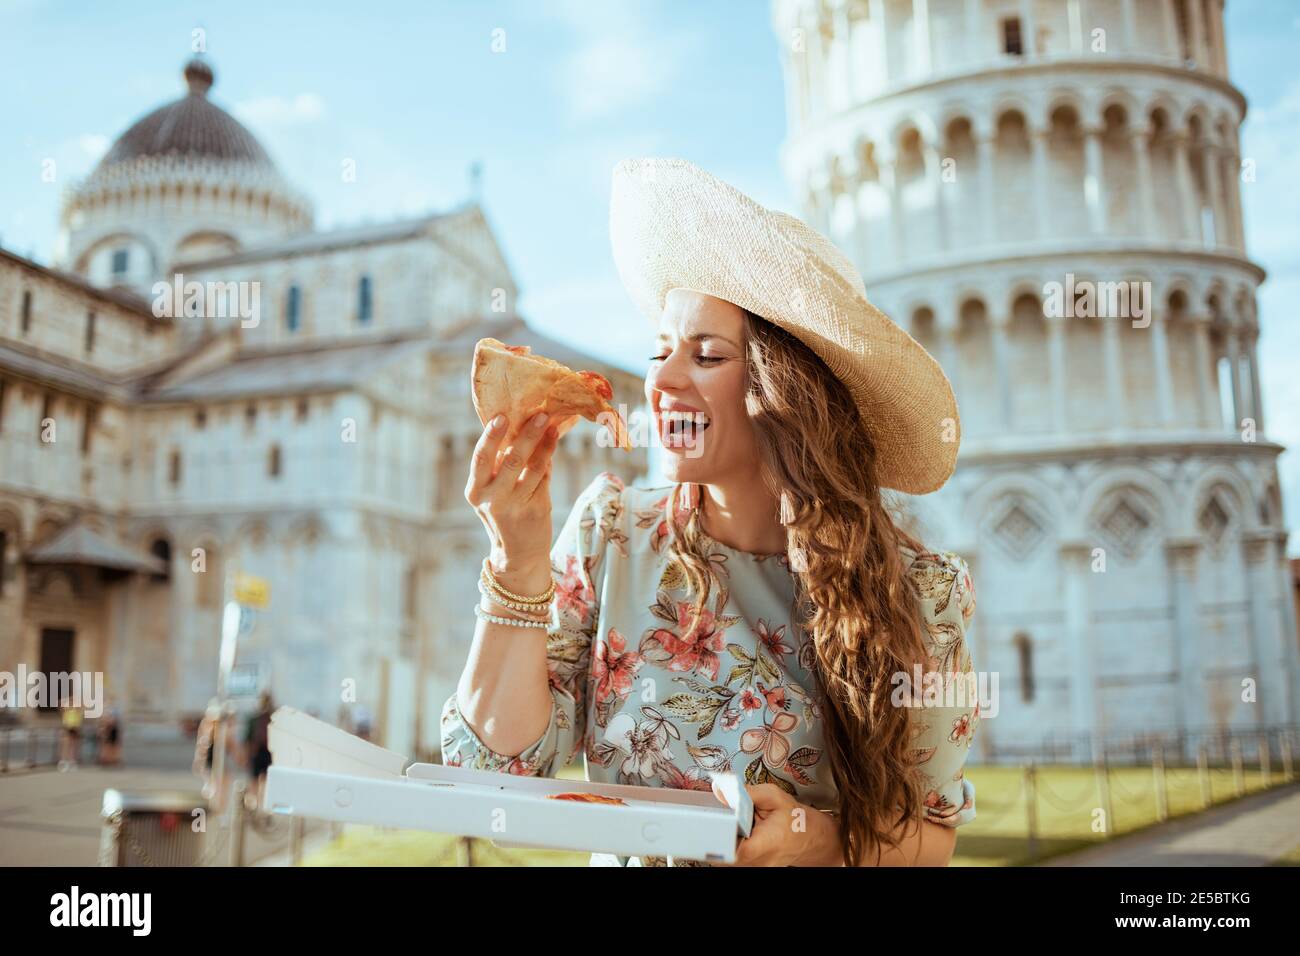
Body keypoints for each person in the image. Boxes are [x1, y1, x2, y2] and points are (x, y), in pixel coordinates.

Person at [443, 158, 979, 867]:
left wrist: (819, 843)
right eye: (660, 351)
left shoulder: (918, 594)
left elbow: (932, 835)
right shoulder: (613, 534)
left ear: (784, 393)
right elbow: (491, 777)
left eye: (706, 356)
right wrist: (516, 563)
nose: (660, 381)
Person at [243, 692, 274, 810]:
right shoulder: (254, 720)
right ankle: (255, 802)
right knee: (255, 780)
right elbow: (248, 739)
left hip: (267, 752)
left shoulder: (272, 719)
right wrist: (247, 755)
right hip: (258, 752)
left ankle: (261, 802)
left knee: (264, 779)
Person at [58, 696, 82, 771]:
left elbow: (82, 707)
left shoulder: (77, 710)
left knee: (73, 745)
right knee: (66, 745)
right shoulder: (66, 710)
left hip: (75, 727)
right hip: (68, 727)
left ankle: (72, 761)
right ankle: (63, 761)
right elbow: (60, 705)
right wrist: (66, 701)